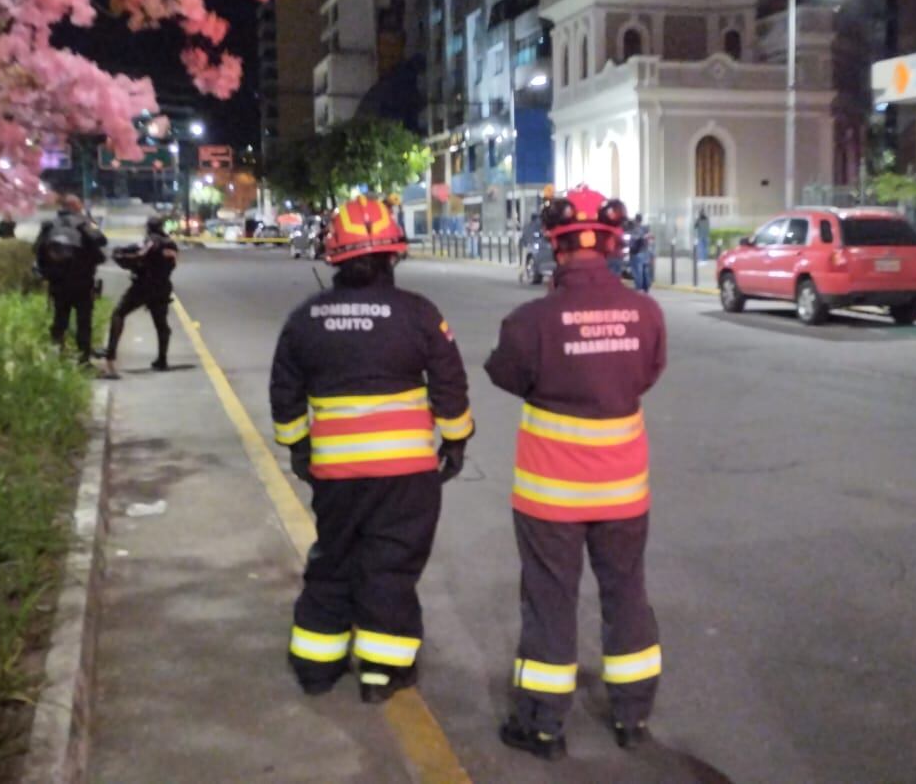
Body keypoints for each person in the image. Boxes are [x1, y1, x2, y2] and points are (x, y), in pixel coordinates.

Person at [484, 184, 667, 760]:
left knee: (549, 602)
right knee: (627, 595)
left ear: (554, 246)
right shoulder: (646, 313)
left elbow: (504, 374)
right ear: (615, 244)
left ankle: (542, 726)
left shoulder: (529, 321)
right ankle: (632, 719)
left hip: (549, 498)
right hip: (623, 493)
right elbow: (646, 373)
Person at [270, 194, 473, 704]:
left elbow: (285, 393)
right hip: (406, 474)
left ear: (333, 256)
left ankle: (316, 665)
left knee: (334, 558)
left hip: (336, 472)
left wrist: (298, 450)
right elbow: (450, 385)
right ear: (392, 255)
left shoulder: (305, 318)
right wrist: (455, 442)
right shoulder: (419, 314)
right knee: (391, 564)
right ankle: (382, 673)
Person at [102, 215, 180, 378]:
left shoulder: (151, 241)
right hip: (162, 286)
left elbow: (141, 255)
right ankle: (162, 359)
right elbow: (172, 263)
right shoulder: (170, 244)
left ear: (148, 228)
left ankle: (110, 355)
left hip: (143, 285)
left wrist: (121, 257)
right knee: (161, 324)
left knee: (119, 314)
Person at [34, 193, 107, 364]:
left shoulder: (49, 225)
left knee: (60, 318)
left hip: (57, 283)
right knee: (84, 321)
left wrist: (47, 273)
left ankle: (56, 354)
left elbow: (37, 250)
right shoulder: (85, 224)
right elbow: (102, 241)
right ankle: (84, 358)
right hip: (82, 282)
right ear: (75, 206)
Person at [628, 213, 654, 294]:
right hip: (645, 252)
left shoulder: (635, 229)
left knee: (637, 271)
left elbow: (634, 240)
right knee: (644, 270)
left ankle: (639, 288)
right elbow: (649, 239)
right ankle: (646, 287)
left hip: (637, 252)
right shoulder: (645, 229)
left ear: (636, 220)